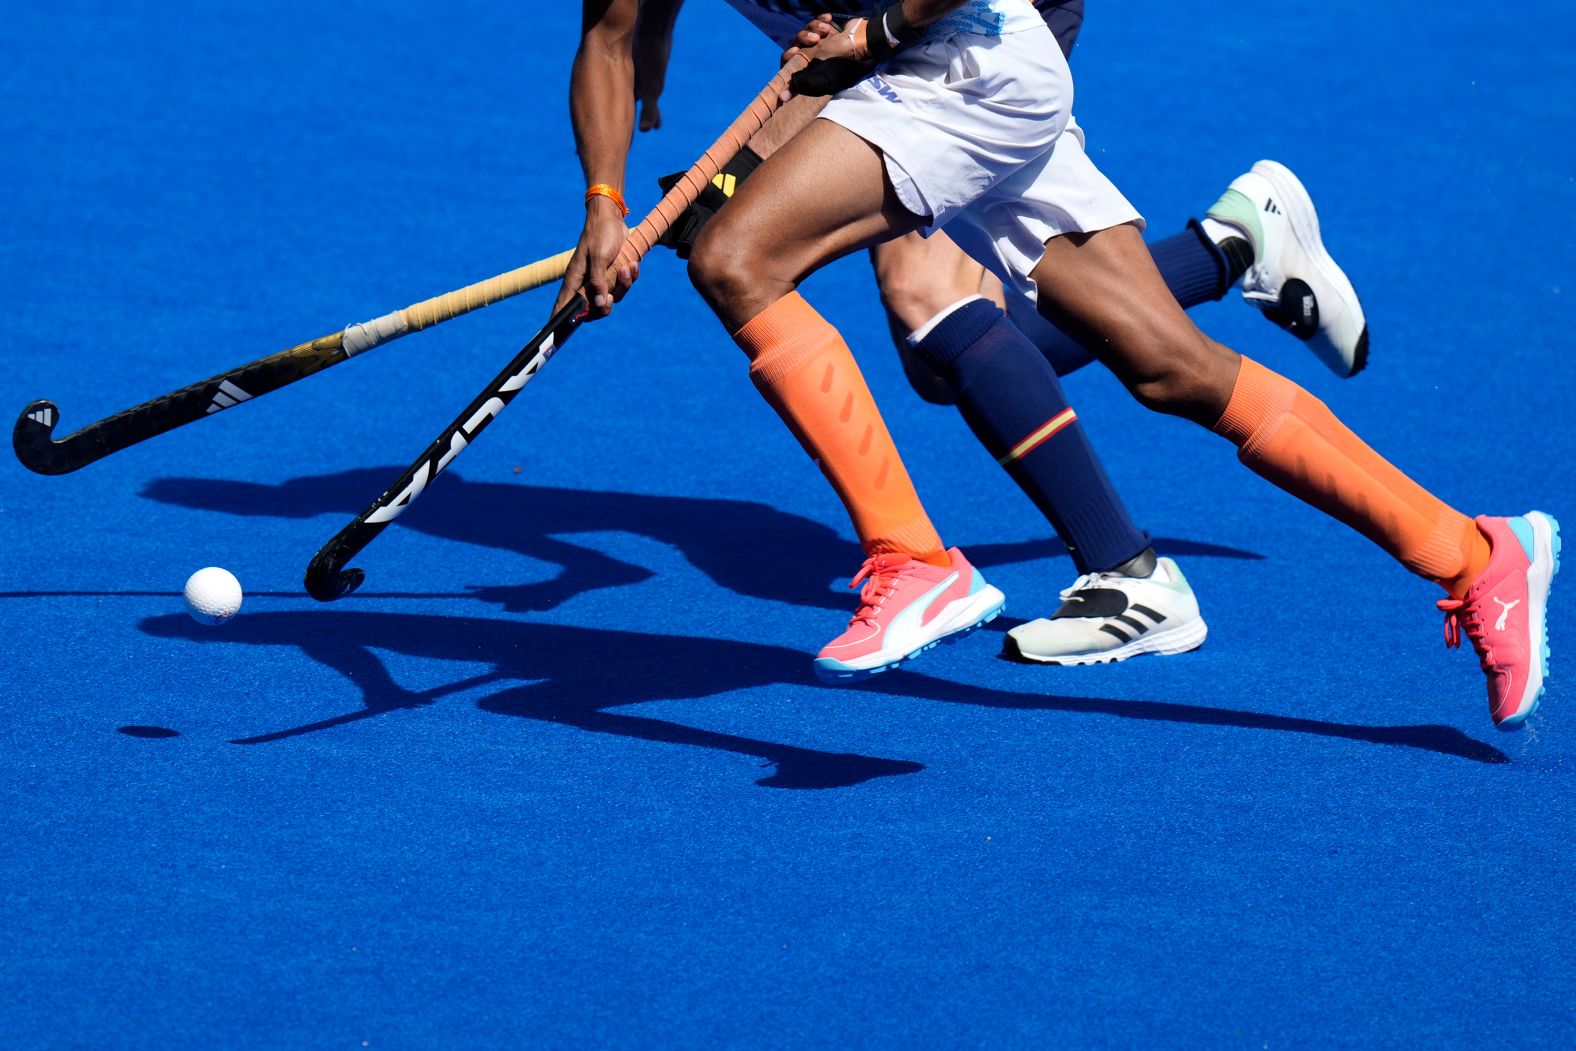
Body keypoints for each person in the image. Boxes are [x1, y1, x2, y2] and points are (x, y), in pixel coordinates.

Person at [559, 0, 1558, 728]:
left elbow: (839, 58)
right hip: (938, 65)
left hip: (955, 51)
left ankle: (922, 563)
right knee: (1164, 363)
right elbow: (612, 37)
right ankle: (1474, 552)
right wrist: (606, 207)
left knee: (747, 258)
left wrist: (742, 172)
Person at [642, 0, 1368, 665]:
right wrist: (650, 61)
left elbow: (853, 40)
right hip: (892, 39)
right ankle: (1229, 246)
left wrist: (737, 176)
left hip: (966, 28)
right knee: (941, 359)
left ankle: (1128, 571)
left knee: (929, 296)